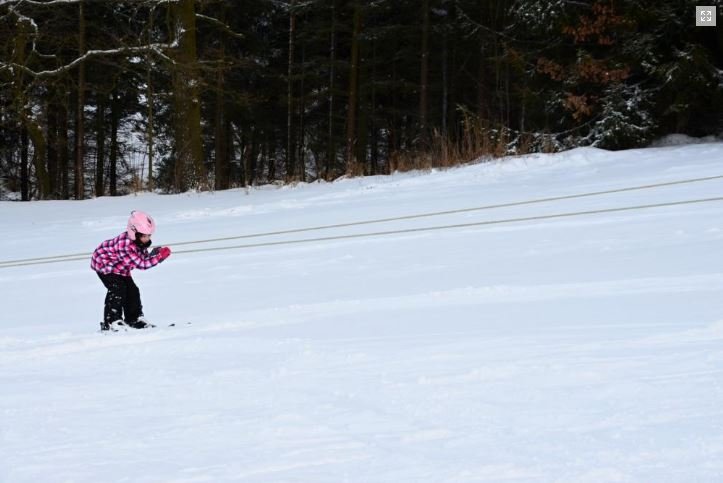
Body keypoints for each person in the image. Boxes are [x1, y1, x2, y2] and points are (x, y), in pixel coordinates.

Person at [91, 210, 171, 331]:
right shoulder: (125, 245)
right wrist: (159, 258)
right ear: (134, 232)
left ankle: (134, 319)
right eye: (144, 236)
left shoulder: (138, 242)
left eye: (149, 235)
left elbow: (142, 258)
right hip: (104, 264)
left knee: (133, 290)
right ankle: (112, 321)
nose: (147, 239)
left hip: (121, 267)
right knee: (118, 288)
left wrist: (153, 254)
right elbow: (142, 265)